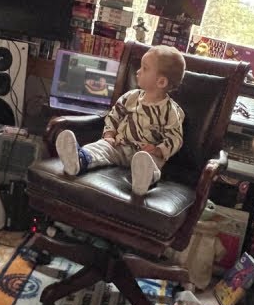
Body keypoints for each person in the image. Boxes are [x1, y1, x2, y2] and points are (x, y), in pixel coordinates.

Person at [55, 46, 186, 196]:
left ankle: (144, 179)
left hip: (145, 153)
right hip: (120, 146)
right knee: (102, 147)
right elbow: (113, 116)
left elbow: (175, 137)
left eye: (145, 68)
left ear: (161, 82)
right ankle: (79, 160)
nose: (138, 71)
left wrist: (158, 149)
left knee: (150, 161)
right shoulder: (130, 97)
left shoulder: (170, 111)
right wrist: (109, 134)